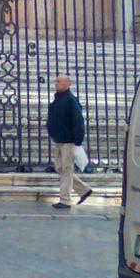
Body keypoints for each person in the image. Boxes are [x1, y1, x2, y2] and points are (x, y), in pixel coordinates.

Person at [47, 74, 91, 209]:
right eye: (56, 81)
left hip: (69, 140)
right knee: (60, 168)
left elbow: (78, 121)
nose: (56, 83)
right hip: (59, 139)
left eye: (59, 81)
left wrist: (77, 140)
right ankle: (84, 190)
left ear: (67, 83)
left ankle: (65, 200)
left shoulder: (71, 100)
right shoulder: (58, 98)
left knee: (66, 168)